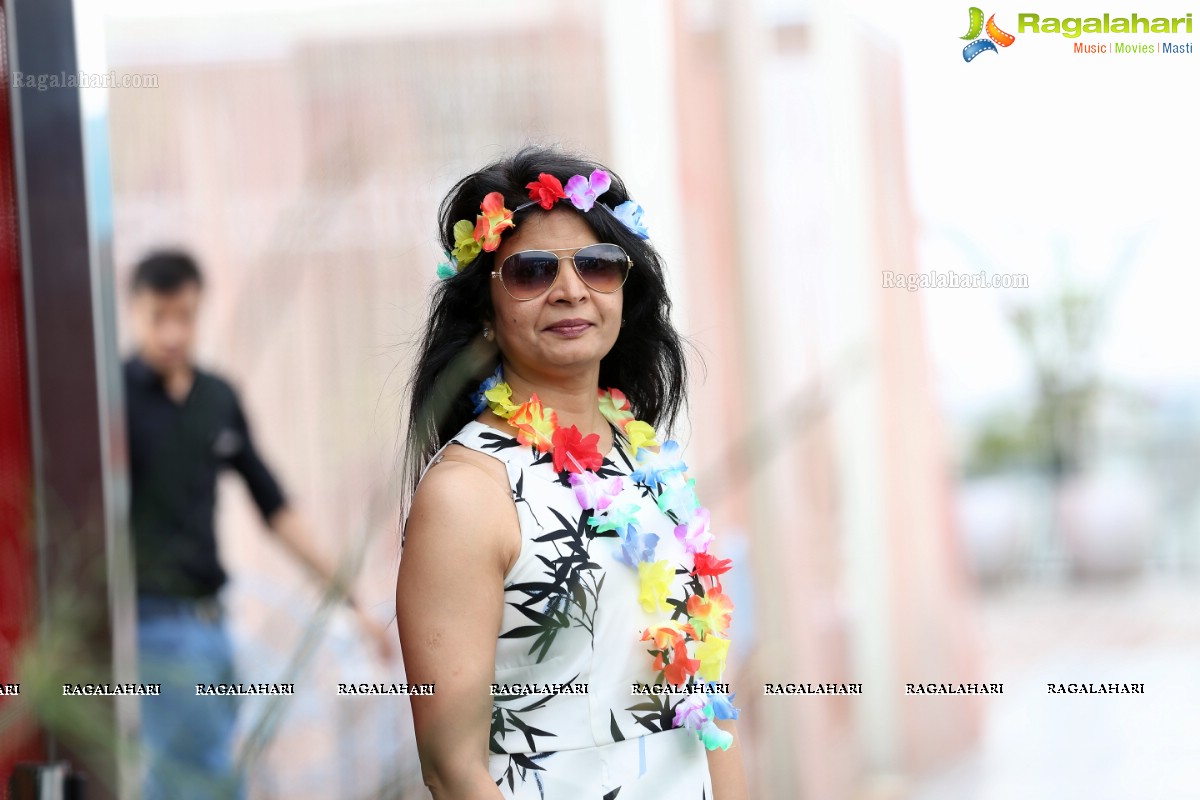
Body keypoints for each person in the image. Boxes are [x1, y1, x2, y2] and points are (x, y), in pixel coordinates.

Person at [395, 146, 749, 798]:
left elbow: (707, 703)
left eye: (597, 265)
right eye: (530, 271)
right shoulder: (469, 492)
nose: (570, 289)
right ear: (485, 311)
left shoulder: (648, 462)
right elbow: (452, 769)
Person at [124, 250, 393, 799]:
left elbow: (276, 508)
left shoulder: (216, 398)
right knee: (200, 774)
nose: (172, 332)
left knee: (196, 772)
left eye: (185, 316)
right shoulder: (114, 398)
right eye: (158, 317)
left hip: (211, 620)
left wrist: (350, 601)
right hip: (152, 620)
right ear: (135, 314)